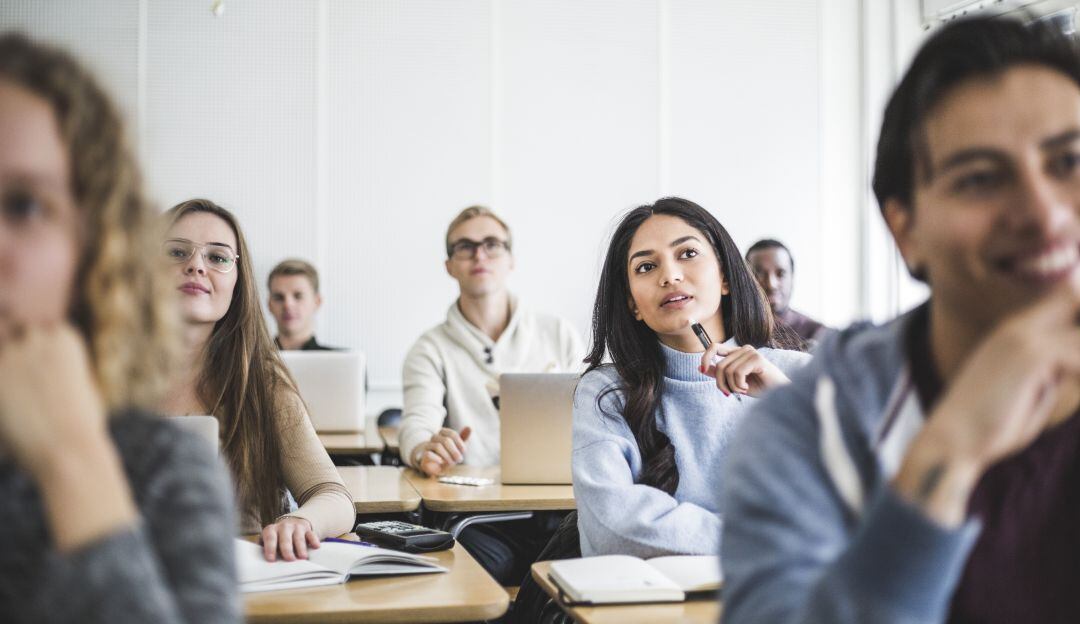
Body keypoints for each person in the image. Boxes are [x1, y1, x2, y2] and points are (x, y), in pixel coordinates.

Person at [721, 16, 1080, 623]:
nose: (1044, 215)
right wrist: (949, 451)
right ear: (905, 229)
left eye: (1069, 162)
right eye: (981, 178)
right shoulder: (805, 432)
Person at [0, 34, 239, 622]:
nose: (197, 270)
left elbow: (326, 490)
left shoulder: (161, 469)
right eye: (179, 253)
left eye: (25, 206)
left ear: (95, 247)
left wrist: (75, 465)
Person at [573, 198, 809, 558]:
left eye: (687, 254)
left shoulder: (795, 374)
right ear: (633, 304)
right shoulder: (606, 393)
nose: (669, 276)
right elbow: (613, 529)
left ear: (726, 277)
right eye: (646, 266)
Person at [161, 199, 354, 562]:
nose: (195, 266)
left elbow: (334, 496)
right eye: (176, 252)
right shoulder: (102, 378)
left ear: (238, 281)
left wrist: (300, 521)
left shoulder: (262, 382)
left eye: (217, 257)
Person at [398, 205, 583, 585]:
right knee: (479, 567)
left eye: (491, 245)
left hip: (560, 509)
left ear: (510, 259)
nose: (479, 255)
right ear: (449, 265)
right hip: (481, 518)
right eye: (465, 247)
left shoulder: (557, 332)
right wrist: (423, 450)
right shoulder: (429, 348)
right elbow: (416, 423)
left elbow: (592, 420)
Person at [745, 238, 830, 344]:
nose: (771, 284)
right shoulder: (731, 330)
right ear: (745, 279)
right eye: (759, 274)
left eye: (781, 274)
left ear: (792, 278)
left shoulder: (818, 334)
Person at [267, 258, 337, 351]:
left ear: (317, 302)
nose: (288, 305)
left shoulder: (345, 361)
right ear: (269, 305)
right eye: (279, 297)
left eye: (298, 296)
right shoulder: (248, 360)